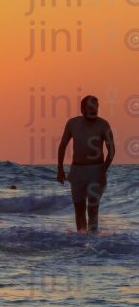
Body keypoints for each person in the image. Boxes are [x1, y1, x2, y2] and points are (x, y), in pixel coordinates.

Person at [57, 94, 115, 234]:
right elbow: (63, 145)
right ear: (82, 109)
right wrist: (60, 169)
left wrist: (103, 172)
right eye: (90, 107)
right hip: (77, 170)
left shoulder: (103, 125)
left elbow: (111, 151)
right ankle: (82, 240)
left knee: (93, 209)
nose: (93, 110)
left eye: (96, 107)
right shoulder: (72, 124)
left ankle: (93, 240)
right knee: (79, 209)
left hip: (96, 170)